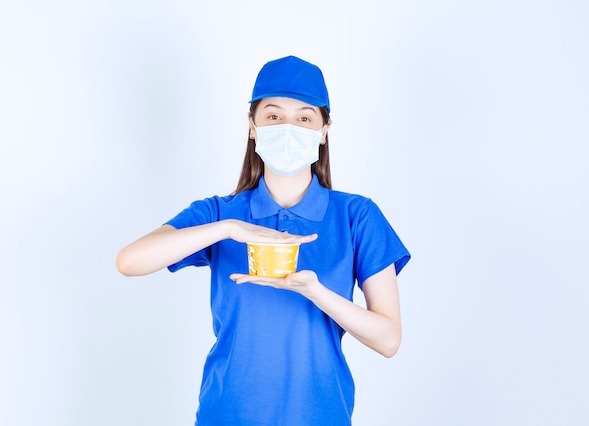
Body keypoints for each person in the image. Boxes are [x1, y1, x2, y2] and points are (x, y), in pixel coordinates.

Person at [116, 55, 411, 426]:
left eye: (304, 118)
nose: (288, 127)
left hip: (320, 416)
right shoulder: (219, 213)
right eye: (273, 116)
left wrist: (315, 292)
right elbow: (130, 261)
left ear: (323, 130)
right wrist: (230, 229)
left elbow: (388, 339)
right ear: (253, 126)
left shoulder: (356, 216)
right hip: (226, 415)